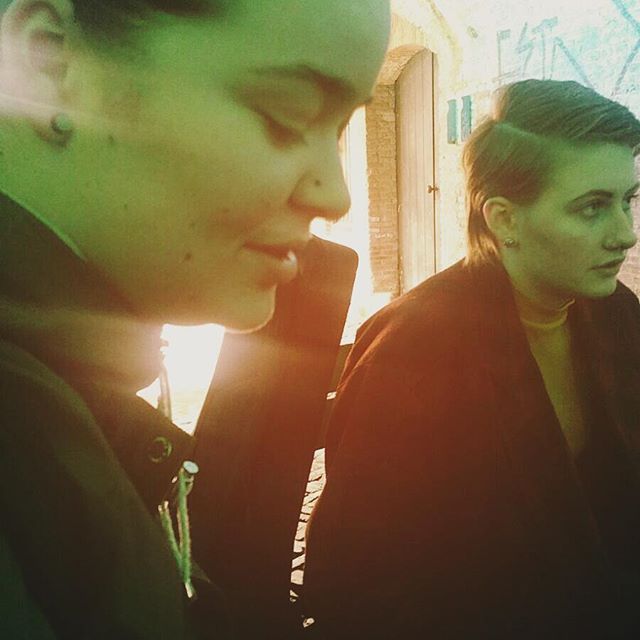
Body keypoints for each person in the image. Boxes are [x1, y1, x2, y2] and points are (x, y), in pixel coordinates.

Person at [0, 0, 390, 637]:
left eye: (340, 130)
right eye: (286, 116)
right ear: (48, 63)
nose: (336, 196)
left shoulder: (72, 385)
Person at [303, 79, 640, 639]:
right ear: (504, 219)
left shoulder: (617, 314)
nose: (625, 234)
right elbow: (358, 579)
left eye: (628, 200)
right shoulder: (412, 348)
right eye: (592, 208)